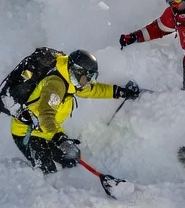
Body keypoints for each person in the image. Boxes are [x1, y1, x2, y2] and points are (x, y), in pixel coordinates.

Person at [9, 49, 139, 173]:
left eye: (92, 78)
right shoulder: (56, 85)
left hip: (48, 132)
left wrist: (120, 92)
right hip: (27, 132)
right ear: (77, 71)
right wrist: (60, 139)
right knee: (49, 169)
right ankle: (19, 172)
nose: (89, 82)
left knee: (71, 161)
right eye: (88, 77)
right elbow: (45, 114)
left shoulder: (72, 81)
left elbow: (94, 90)